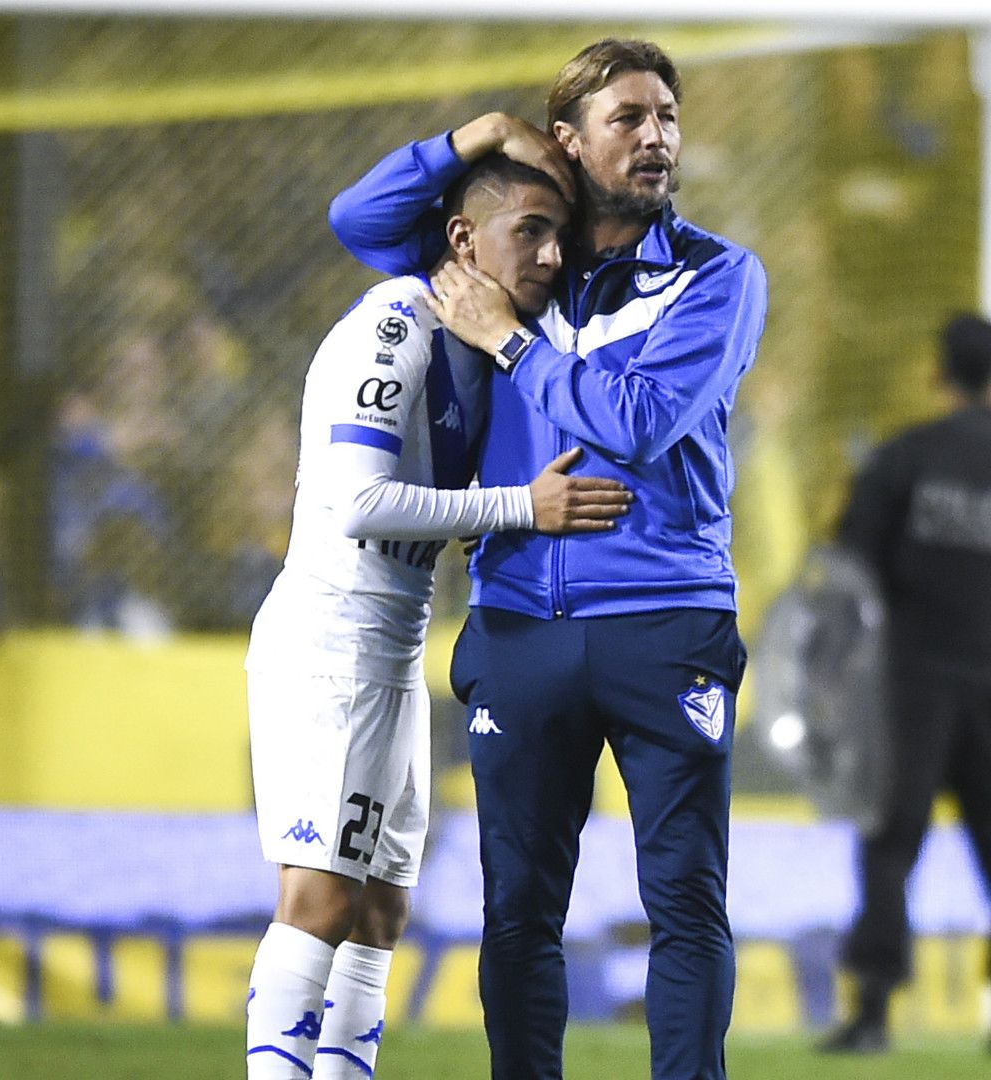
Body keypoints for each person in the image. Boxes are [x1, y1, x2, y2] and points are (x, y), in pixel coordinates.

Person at [326, 38, 767, 1080]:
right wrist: (479, 135)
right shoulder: (522, 252)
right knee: (518, 909)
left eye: (667, 116)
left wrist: (511, 342)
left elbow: (641, 422)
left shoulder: (718, 275)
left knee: (685, 903)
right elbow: (358, 221)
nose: (656, 137)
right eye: (628, 118)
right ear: (566, 141)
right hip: (520, 619)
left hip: (665, 618)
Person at [244, 156, 630, 1079]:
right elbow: (359, 503)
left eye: (558, 235)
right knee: (319, 900)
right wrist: (520, 507)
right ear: (463, 239)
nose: (550, 254)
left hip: (393, 653)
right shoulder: (394, 325)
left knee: (379, 911)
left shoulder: (485, 346)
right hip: (331, 645)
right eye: (527, 230)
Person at [820, 315, 991, 1056]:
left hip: (908, 687)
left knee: (890, 843)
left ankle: (872, 1011)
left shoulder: (902, 457)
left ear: (940, 375)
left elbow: (847, 570)